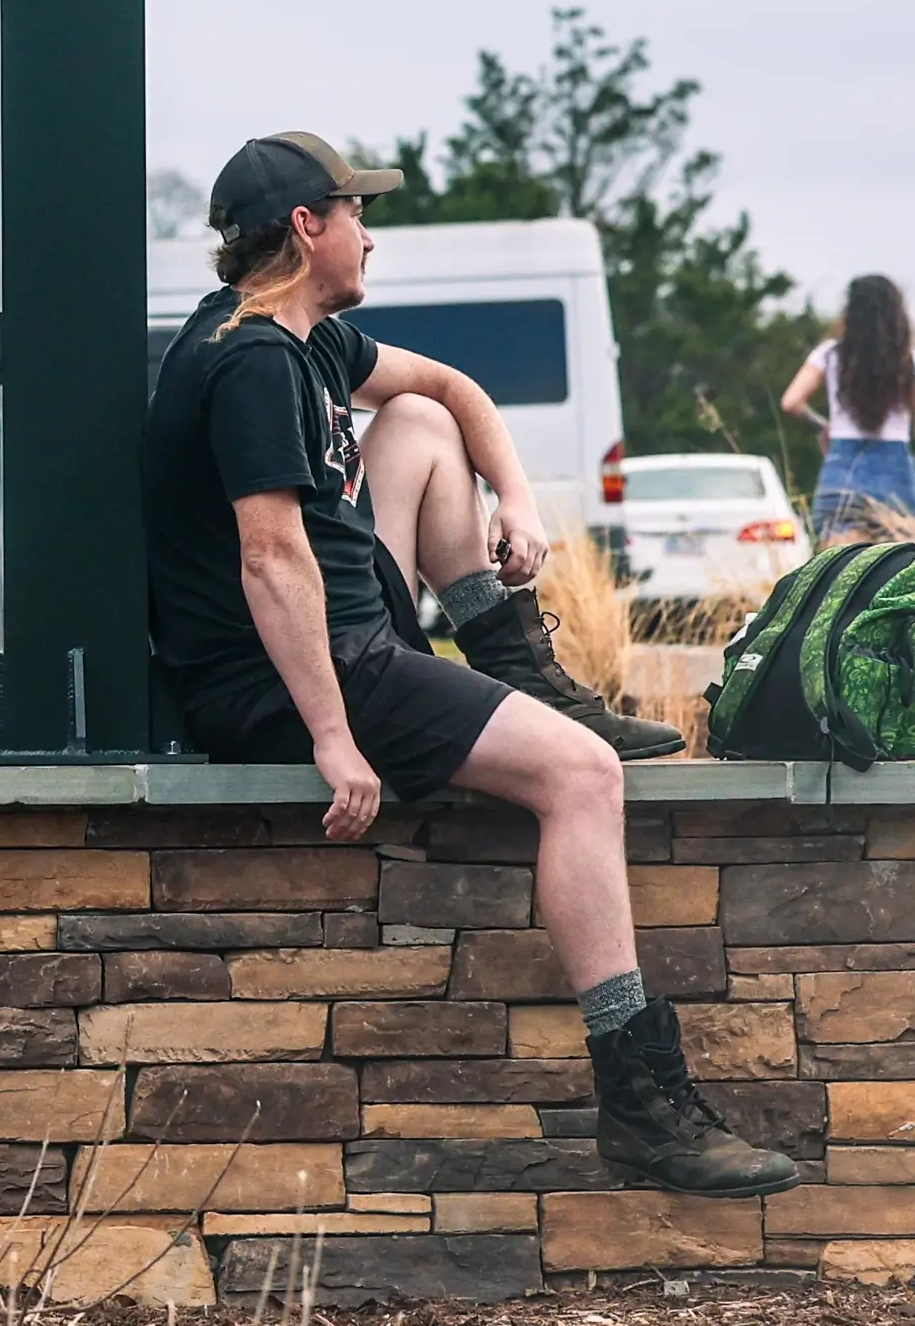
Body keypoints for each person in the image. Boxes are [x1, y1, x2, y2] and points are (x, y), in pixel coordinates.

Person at [145, 131, 793, 1198]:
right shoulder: (252, 362)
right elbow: (270, 559)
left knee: (416, 416)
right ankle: (642, 1103)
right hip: (300, 670)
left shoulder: (299, 336)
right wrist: (332, 735)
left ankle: (518, 667)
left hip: (352, 627)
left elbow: (452, 383)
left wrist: (518, 501)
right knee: (583, 776)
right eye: (357, 213)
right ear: (306, 226)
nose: (370, 235)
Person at [782, 275, 915, 541]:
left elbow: (791, 402)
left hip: (844, 462)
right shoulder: (907, 360)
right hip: (895, 464)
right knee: (897, 557)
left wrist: (823, 425)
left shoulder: (829, 353)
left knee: (839, 557)